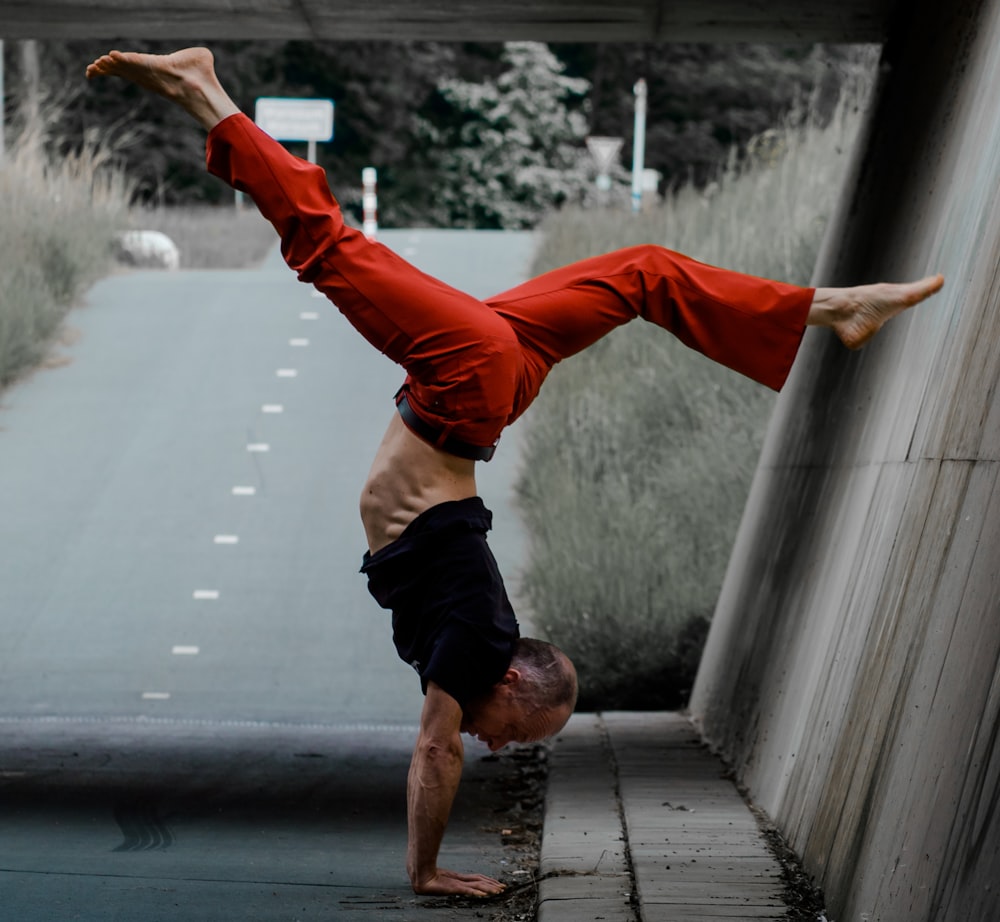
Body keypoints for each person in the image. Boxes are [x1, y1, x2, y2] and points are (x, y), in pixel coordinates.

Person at [85, 47, 944, 898]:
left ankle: (834, 308)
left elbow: (450, 732)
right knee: (326, 244)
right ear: (507, 683)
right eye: (515, 733)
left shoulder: (476, 641)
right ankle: (204, 88)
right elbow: (436, 747)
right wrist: (425, 872)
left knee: (644, 271)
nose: (500, 745)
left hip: (493, 385)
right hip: (465, 382)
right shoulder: (475, 646)